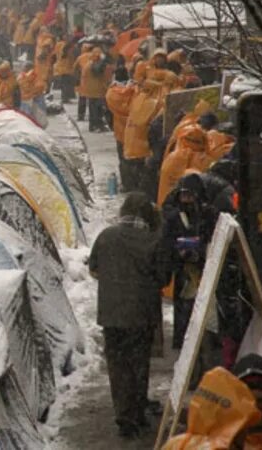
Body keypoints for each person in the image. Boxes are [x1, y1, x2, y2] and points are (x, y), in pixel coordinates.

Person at [89, 192, 169, 438]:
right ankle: (137, 411)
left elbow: (94, 270)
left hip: (111, 315)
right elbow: (163, 279)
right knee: (138, 363)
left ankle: (124, 416)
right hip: (141, 315)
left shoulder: (105, 236)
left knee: (117, 365)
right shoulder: (153, 240)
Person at [162, 172, 219, 350]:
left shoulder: (207, 214)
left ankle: (201, 340)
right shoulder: (173, 216)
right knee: (185, 307)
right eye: (183, 195)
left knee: (201, 308)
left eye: (189, 195)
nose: (186, 199)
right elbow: (167, 240)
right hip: (184, 269)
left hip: (201, 266)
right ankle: (187, 342)